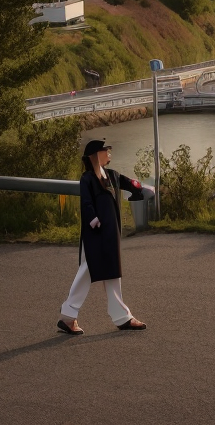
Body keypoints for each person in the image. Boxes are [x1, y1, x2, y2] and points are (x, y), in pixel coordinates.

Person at [58, 138, 153, 334]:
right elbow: (86, 202)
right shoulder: (88, 179)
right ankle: (70, 316)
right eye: (106, 151)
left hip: (110, 232)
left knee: (109, 271)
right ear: (95, 155)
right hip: (95, 232)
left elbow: (129, 183)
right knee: (88, 270)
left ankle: (118, 316)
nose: (109, 154)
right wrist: (93, 218)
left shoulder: (112, 175)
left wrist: (142, 188)